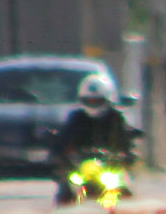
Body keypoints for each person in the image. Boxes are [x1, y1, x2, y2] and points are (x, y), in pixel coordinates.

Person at [48, 74, 134, 204]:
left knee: (126, 190)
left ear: (107, 100)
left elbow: (127, 142)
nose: (93, 105)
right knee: (65, 192)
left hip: (109, 167)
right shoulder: (76, 118)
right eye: (89, 101)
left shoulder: (116, 118)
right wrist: (60, 155)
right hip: (81, 168)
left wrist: (126, 155)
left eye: (97, 101)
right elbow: (63, 140)